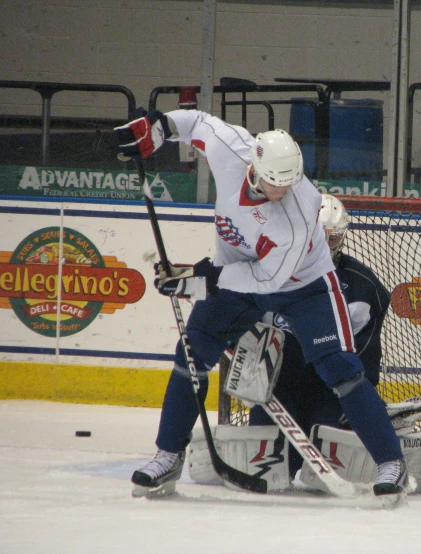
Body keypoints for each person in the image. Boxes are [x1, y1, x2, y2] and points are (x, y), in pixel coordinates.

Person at [114, 109, 406, 498]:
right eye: (273, 184)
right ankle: (167, 456)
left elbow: (268, 280)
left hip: (306, 286)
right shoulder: (233, 150)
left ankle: (391, 462)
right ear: (254, 166)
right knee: (192, 356)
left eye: (288, 183)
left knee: (341, 368)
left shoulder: (299, 215)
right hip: (236, 274)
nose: (280, 192)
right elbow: (198, 124)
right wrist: (158, 129)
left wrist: (200, 281)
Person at [247, 193, 391, 477]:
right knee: (269, 466)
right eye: (315, 237)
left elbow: (364, 359)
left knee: (323, 452)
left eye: (332, 238)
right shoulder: (265, 276)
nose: (322, 247)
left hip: (333, 392)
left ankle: (385, 443)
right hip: (279, 387)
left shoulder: (364, 287)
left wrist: (364, 401)